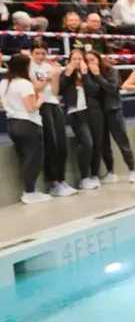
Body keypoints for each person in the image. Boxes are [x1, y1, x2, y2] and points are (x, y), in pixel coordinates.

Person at [81, 50, 135, 184]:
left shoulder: (110, 71)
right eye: (87, 61)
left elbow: (112, 89)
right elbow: (92, 91)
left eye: (93, 60)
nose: (90, 63)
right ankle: (110, 171)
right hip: (99, 113)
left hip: (113, 109)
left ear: (98, 60)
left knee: (122, 140)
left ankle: (132, 170)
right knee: (103, 144)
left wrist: (98, 75)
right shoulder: (87, 75)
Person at [2, 54, 51, 203]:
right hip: (28, 124)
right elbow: (31, 107)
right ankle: (30, 192)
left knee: (24, 158)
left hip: (12, 124)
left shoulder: (4, 83)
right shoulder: (24, 84)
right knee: (33, 159)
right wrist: (40, 100)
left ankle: (29, 189)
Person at [29, 40, 75, 197]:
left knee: (62, 144)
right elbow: (35, 89)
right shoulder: (29, 67)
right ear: (31, 53)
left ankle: (62, 179)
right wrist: (49, 77)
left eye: (43, 53)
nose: (40, 56)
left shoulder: (49, 67)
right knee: (51, 144)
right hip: (42, 106)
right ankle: (53, 181)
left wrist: (55, 77)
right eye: (37, 53)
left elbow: (55, 91)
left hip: (54, 104)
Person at [56, 48, 101, 190]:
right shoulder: (66, 75)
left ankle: (94, 174)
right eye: (74, 59)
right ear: (69, 61)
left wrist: (86, 75)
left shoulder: (87, 73)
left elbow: (94, 91)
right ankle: (84, 177)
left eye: (79, 59)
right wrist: (68, 74)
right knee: (87, 143)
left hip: (91, 112)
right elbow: (60, 90)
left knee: (95, 144)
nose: (77, 62)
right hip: (76, 112)